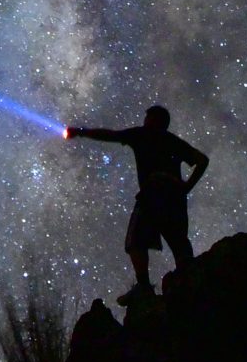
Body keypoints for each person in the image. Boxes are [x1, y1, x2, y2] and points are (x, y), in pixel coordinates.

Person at [65, 105, 208, 300]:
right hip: (175, 199)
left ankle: (144, 287)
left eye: (148, 116)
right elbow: (202, 160)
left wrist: (81, 132)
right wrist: (186, 188)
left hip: (153, 195)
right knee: (179, 241)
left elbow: (110, 135)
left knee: (136, 240)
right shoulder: (173, 141)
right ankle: (192, 283)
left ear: (155, 120)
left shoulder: (142, 135)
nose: (145, 120)